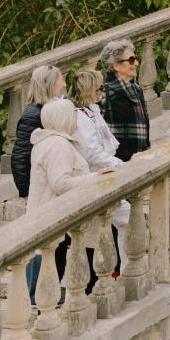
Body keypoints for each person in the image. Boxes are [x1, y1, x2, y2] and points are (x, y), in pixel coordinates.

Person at [10, 65, 69, 304]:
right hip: (40, 191)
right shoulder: (34, 115)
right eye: (60, 81)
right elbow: (20, 156)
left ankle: (46, 289)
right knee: (39, 245)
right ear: (48, 85)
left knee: (58, 243)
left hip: (50, 189)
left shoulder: (53, 111)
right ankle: (32, 293)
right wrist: (26, 192)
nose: (64, 84)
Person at [27, 99, 92, 309]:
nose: (76, 119)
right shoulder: (58, 145)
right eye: (73, 115)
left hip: (47, 213)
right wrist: (94, 178)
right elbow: (60, 183)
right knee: (52, 267)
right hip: (54, 215)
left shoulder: (47, 142)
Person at [71, 68, 130, 287]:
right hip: (94, 174)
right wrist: (118, 164)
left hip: (105, 169)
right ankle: (123, 272)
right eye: (99, 88)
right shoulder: (79, 116)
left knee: (124, 217)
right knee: (123, 216)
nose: (102, 91)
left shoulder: (93, 110)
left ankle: (123, 269)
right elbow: (92, 152)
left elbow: (107, 142)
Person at [99, 38, 151, 162]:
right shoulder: (104, 92)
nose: (137, 63)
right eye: (131, 60)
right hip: (118, 165)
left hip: (141, 159)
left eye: (135, 59)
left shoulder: (137, 89)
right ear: (116, 65)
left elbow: (144, 128)